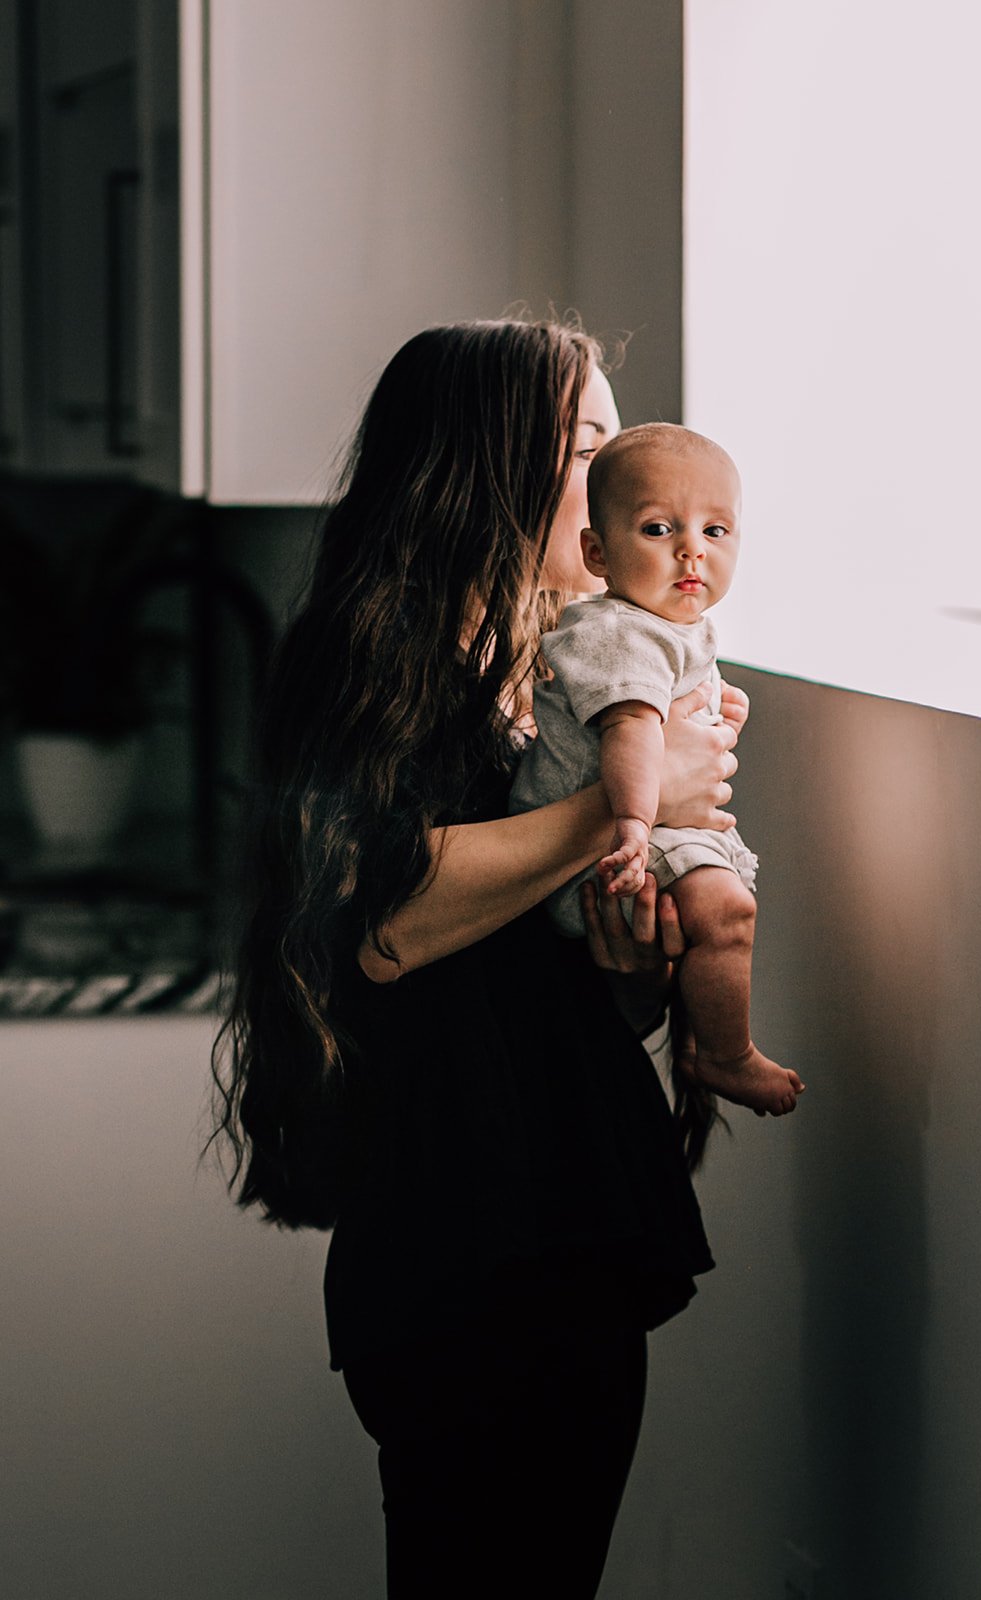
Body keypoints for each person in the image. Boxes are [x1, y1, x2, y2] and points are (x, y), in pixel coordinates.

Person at [211, 320, 742, 1599]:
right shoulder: (368, 659)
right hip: (456, 1235)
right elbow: (382, 929)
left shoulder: (558, 676)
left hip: (563, 1206)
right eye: (586, 447)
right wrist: (630, 802)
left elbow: (561, 997)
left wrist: (631, 950)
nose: (627, 482)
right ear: (482, 465)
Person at [510, 422, 804, 1118]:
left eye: (716, 530)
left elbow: (665, 730)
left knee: (721, 914)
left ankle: (710, 1046)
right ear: (598, 551)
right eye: (658, 528)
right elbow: (633, 733)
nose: (690, 550)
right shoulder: (619, 631)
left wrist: (711, 723)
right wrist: (636, 823)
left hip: (616, 840)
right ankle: (724, 1054)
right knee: (728, 909)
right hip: (602, 851)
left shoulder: (672, 626)